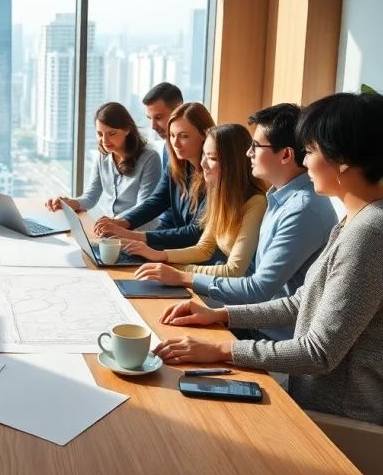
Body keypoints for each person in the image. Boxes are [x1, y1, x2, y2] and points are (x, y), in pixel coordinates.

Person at [152, 91, 383, 427]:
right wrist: (218, 315)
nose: (305, 163)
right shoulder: (361, 218)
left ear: (344, 160)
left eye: (310, 151)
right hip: (309, 392)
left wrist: (220, 350)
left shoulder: (371, 235)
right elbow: (300, 302)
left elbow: (316, 353)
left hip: (329, 414)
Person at [138, 104, 337, 341]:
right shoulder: (278, 197)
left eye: (256, 146)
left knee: (169, 330)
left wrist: (182, 275)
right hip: (254, 320)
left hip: (275, 337)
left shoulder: (302, 209)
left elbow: (258, 288)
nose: (248, 153)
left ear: (285, 155)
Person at [128, 123, 266, 277]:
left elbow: (234, 270)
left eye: (212, 158)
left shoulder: (256, 203)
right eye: (204, 155)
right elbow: (204, 248)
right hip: (225, 283)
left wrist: (178, 270)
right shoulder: (217, 194)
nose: (203, 164)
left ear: (233, 164)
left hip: (244, 289)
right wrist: (159, 255)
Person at [93, 102, 215, 250]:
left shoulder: (213, 174)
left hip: (195, 255)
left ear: (204, 135)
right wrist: (122, 223)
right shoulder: (176, 166)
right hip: (176, 247)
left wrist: (137, 237)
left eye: (184, 136)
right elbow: (157, 201)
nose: (175, 143)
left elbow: (195, 233)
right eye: (172, 135)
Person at [45, 102, 162, 224]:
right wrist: (68, 203)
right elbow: (91, 197)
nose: (104, 141)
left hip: (139, 232)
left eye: (111, 133)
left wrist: (112, 223)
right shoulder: (102, 156)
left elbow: (143, 206)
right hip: (112, 231)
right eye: (100, 134)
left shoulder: (150, 158)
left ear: (127, 129)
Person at [142, 82, 184, 173]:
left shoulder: (205, 148)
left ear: (179, 109)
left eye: (158, 117)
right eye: (150, 118)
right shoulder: (167, 146)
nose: (153, 126)